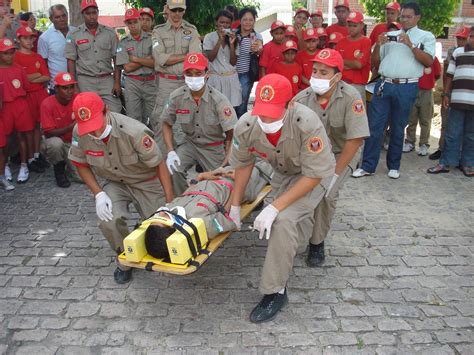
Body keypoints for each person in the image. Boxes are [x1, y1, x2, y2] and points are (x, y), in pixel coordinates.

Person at [229, 74, 336, 323]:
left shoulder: (305, 123)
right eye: (261, 112)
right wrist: (235, 205)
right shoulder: (246, 125)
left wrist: (275, 207)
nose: (265, 119)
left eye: (273, 112)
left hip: (314, 174)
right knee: (289, 229)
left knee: (283, 220)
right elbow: (243, 165)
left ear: (290, 105)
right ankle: (302, 237)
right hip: (283, 172)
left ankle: (275, 292)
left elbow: (312, 175)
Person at [68, 92, 174, 283]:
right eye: (88, 128)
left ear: (106, 111)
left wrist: (168, 203)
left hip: (146, 181)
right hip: (115, 182)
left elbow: (159, 164)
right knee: (108, 219)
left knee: (160, 226)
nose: (94, 133)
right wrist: (98, 193)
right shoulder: (80, 131)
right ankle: (125, 258)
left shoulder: (134, 131)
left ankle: (142, 232)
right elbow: (80, 163)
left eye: (96, 125)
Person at [294, 48, 369, 266]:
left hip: (341, 154)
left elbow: (355, 140)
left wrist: (334, 174)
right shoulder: (301, 98)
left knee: (327, 195)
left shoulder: (351, 97)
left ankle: (317, 243)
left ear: (337, 76)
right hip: (311, 156)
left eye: (323, 73)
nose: (316, 77)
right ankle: (296, 234)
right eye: (315, 71)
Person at [352, 2, 435, 179]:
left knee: (398, 126)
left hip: (407, 85)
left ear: (417, 18)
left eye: (408, 16)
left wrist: (411, 45)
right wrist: (379, 45)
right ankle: (368, 165)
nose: (404, 20)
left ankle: (394, 165)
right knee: (375, 126)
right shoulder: (390, 35)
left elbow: (428, 61)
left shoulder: (426, 36)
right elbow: (375, 62)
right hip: (384, 83)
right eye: (402, 16)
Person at [145, 160, 273, 258]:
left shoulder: (172, 211)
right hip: (240, 185)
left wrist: (201, 176)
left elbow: (189, 195)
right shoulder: (202, 224)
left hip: (219, 176)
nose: (161, 213)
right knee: (268, 164)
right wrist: (238, 183)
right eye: (162, 219)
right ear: (172, 228)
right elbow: (229, 217)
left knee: (245, 155)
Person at [161, 53, 237, 195]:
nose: (194, 77)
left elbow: (232, 133)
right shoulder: (176, 96)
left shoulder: (219, 100)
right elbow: (166, 123)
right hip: (190, 144)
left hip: (213, 147)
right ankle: (183, 201)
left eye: (198, 73)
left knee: (222, 182)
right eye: (189, 73)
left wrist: (227, 160)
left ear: (206, 74)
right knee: (173, 168)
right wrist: (171, 151)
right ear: (184, 75)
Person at [150, 0, 201, 150]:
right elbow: (160, 59)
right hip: (166, 84)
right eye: (174, 10)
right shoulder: (158, 31)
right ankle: (162, 163)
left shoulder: (191, 30)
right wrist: (185, 56)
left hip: (187, 83)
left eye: (180, 10)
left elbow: (195, 59)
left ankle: (183, 161)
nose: (177, 13)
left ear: (184, 10)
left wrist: (171, 58)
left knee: (188, 123)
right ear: (167, 10)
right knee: (162, 122)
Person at [428, 26, 474, 178]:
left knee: (471, 135)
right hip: (457, 101)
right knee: (452, 133)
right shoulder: (457, 52)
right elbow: (449, 75)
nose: (472, 40)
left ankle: (468, 164)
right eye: (471, 36)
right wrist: (446, 94)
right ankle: (446, 162)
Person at [64, 0, 122, 113]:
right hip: (85, 81)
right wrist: (74, 85)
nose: (91, 16)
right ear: (83, 14)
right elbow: (71, 61)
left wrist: (117, 82)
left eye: (94, 13)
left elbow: (116, 59)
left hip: (107, 80)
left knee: (115, 111)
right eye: (88, 13)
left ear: (98, 12)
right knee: (89, 112)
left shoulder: (109, 33)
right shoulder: (73, 35)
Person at [14, 26, 50, 173]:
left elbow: (46, 76)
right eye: (26, 38)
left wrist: (29, 77)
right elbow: (19, 79)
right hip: (24, 97)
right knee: (25, 129)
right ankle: (27, 159)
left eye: (31, 38)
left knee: (37, 127)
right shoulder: (15, 56)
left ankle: (35, 155)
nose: (29, 41)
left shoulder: (37, 57)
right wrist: (35, 76)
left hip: (39, 95)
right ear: (19, 39)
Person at [0, 38, 34, 184]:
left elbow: (25, 88)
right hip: (5, 107)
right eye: (5, 53)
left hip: (20, 104)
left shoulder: (19, 69)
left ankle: (24, 165)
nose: (9, 56)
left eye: (11, 52)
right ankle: (5, 165)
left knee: (22, 136)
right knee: (5, 139)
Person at [116, 8, 156, 125]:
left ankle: (156, 142)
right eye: (130, 23)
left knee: (155, 117)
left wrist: (135, 59)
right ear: (126, 24)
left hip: (150, 82)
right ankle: (137, 143)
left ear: (140, 20)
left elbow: (156, 62)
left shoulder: (152, 39)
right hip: (132, 83)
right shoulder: (123, 42)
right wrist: (147, 59)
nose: (133, 25)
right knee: (134, 119)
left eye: (135, 21)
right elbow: (127, 68)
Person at [41, 72, 77, 188]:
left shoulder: (78, 99)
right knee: (55, 144)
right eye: (65, 88)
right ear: (56, 88)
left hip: (75, 142)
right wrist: (70, 127)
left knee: (81, 177)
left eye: (71, 87)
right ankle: (59, 170)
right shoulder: (47, 103)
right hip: (58, 141)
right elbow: (48, 132)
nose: (69, 91)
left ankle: (69, 164)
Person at [203, 10, 242, 108]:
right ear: (216, 22)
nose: (224, 25)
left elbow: (233, 63)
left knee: (230, 110)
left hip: (231, 79)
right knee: (214, 108)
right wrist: (220, 40)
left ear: (231, 24)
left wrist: (232, 44)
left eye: (227, 23)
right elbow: (211, 58)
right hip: (215, 79)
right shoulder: (209, 37)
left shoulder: (234, 38)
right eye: (221, 22)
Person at [403, 57, 441, 156]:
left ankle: (424, 144)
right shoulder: (413, 56)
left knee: (425, 119)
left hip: (427, 91)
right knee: (411, 118)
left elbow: (437, 74)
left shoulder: (433, 59)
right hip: (412, 89)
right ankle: (410, 141)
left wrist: (429, 82)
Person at [336, 11, 371, 106]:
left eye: (354, 26)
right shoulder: (341, 42)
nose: (351, 28)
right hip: (341, 84)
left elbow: (359, 65)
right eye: (349, 25)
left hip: (357, 85)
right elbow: (336, 65)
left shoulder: (366, 41)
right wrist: (351, 63)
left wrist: (343, 62)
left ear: (362, 26)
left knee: (357, 116)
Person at [38, 4, 76, 92]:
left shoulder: (76, 32)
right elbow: (43, 63)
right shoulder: (45, 38)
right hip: (57, 86)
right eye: (57, 17)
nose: (62, 19)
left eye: (64, 15)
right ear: (51, 19)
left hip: (77, 83)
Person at [234, 7, 262, 118]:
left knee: (242, 104)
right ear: (240, 20)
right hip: (231, 74)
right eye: (245, 19)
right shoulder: (233, 35)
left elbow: (260, 48)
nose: (248, 22)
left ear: (254, 21)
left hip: (246, 74)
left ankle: (241, 130)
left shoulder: (256, 36)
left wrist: (258, 49)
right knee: (231, 104)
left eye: (251, 19)